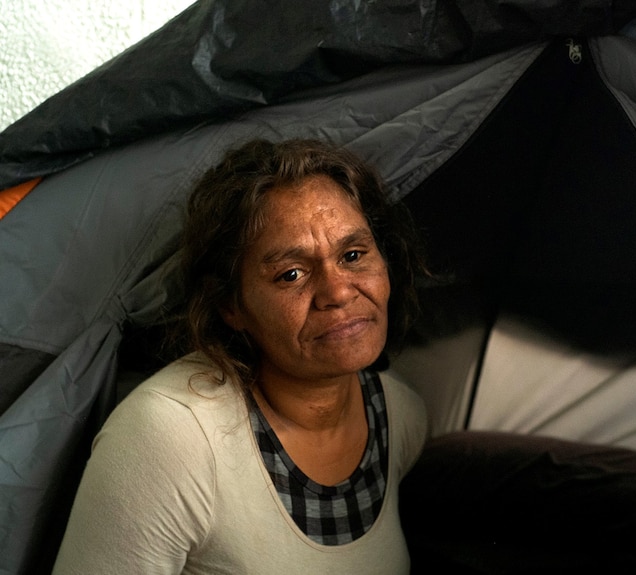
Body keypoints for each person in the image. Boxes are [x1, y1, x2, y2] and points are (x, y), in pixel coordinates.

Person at [52, 139, 430, 574]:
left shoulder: (398, 415)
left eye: (353, 255)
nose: (338, 291)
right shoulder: (172, 437)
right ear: (231, 306)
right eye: (291, 274)